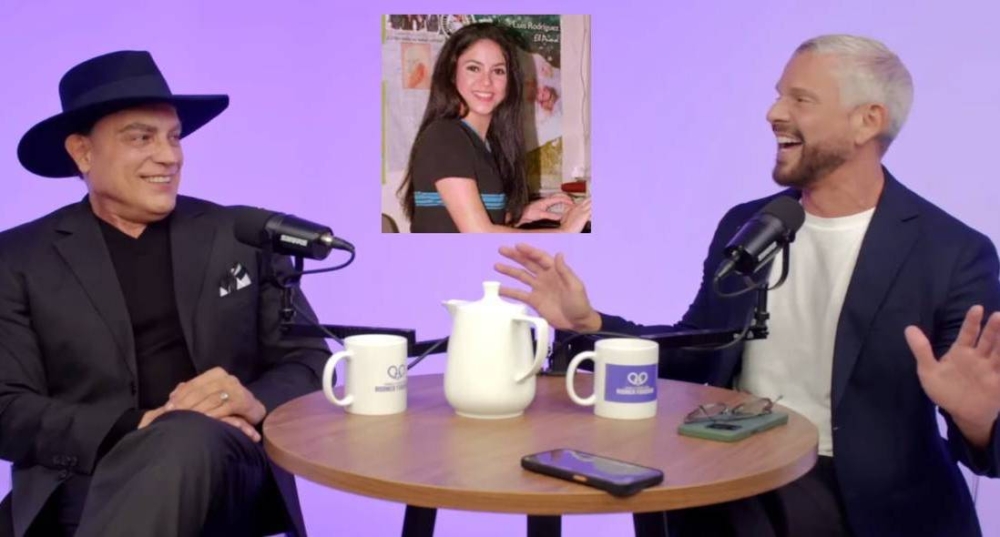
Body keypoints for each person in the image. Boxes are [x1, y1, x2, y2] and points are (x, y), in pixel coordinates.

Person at [495, 35, 1000, 537]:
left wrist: (979, 418)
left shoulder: (953, 253)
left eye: (800, 99)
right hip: (736, 475)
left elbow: (989, 447)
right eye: (779, 94)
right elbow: (698, 354)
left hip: (863, 504)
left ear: (868, 120)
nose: (774, 112)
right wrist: (590, 324)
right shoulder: (751, 224)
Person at [0, 51, 330, 536]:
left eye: (173, 137)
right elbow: (7, 407)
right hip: (81, 481)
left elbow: (309, 361)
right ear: (82, 152)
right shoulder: (17, 257)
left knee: (187, 437)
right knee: (171, 438)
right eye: (142, 138)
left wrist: (249, 400)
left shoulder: (239, 234)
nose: (169, 156)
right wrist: (136, 427)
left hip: (224, 466)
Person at [397, 22, 591, 233]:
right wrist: (563, 233)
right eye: (474, 68)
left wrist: (520, 215)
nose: (486, 81)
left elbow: (456, 220)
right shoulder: (445, 137)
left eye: (498, 71)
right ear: (452, 74)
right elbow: (478, 233)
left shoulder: (486, 143)